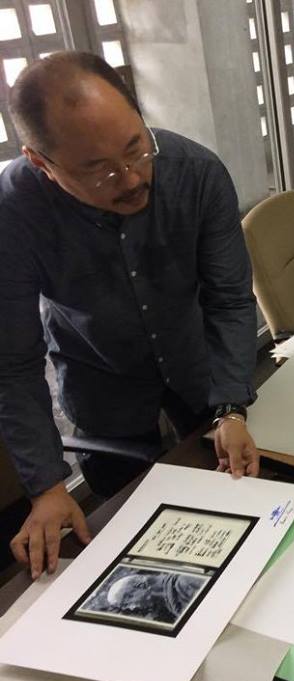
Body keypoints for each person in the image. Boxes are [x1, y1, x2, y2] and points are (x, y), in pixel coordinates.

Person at [0, 52, 261, 580]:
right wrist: (47, 486)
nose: (130, 178)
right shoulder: (14, 213)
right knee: (129, 531)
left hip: (196, 364)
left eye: (135, 147)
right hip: (100, 379)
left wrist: (232, 408)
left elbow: (229, 298)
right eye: (96, 169)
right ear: (40, 162)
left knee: (231, 508)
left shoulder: (197, 174)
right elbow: (13, 363)